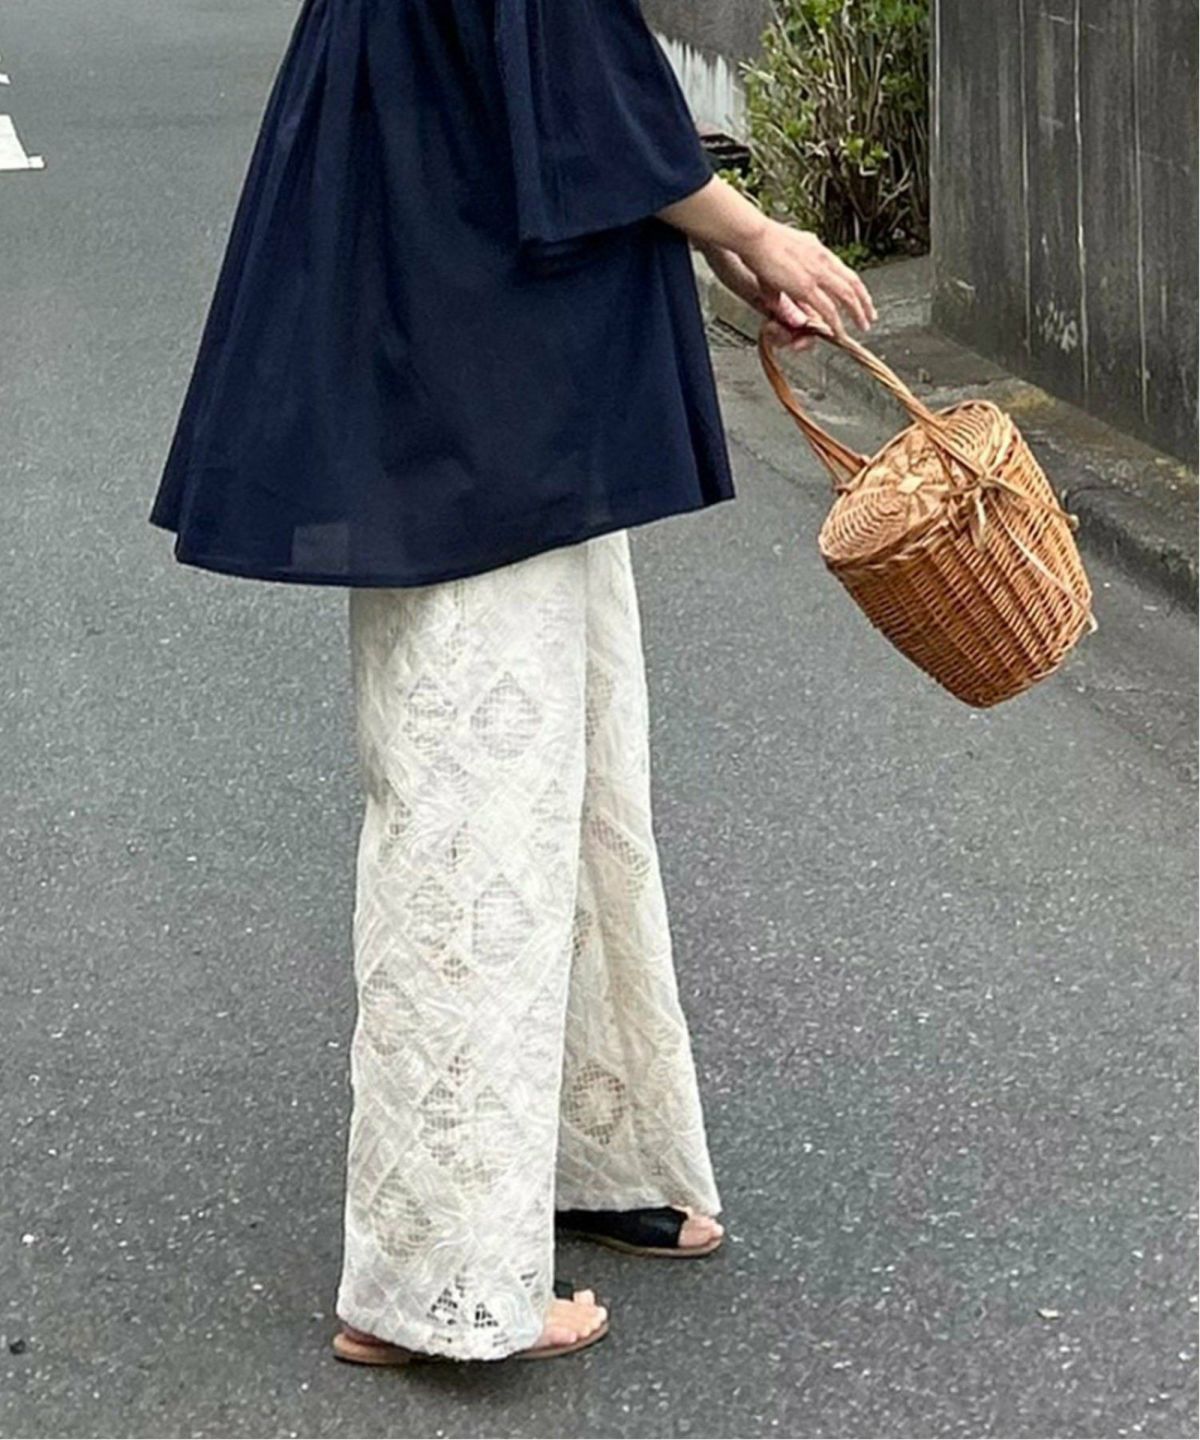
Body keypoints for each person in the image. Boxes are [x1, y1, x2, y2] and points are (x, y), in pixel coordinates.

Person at [149, 0, 875, 1364]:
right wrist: (752, 233)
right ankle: (436, 1278)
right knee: (472, 798)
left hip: (458, 281)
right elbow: (570, 69)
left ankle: (585, 1151)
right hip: (474, 341)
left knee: (560, 764)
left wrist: (718, 240)